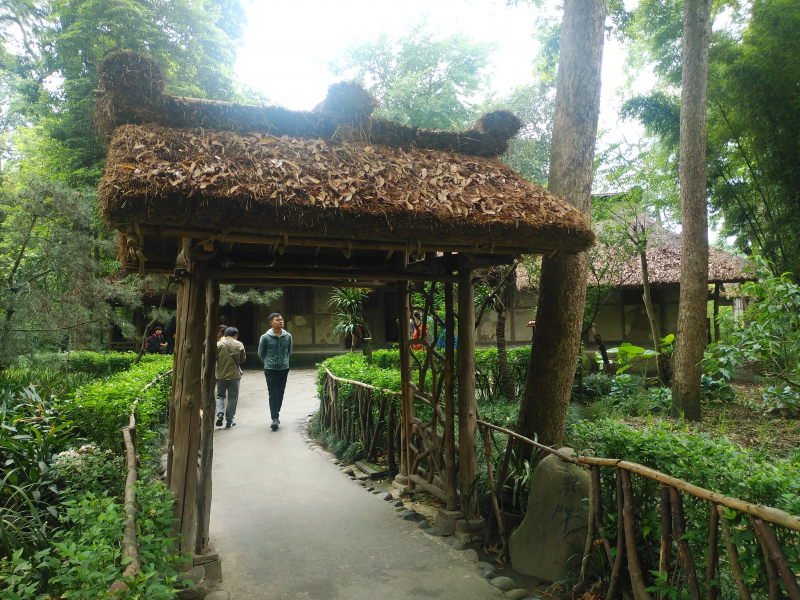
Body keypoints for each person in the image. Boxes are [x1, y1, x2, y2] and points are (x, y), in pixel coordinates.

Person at [257, 312, 292, 431]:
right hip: (270, 369)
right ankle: (275, 418)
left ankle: (276, 413)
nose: (281, 321)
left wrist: (284, 361)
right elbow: (261, 353)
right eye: (277, 320)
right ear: (271, 322)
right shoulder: (265, 337)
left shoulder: (288, 336)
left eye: (281, 319)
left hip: (284, 368)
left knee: (280, 392)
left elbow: (289, 351)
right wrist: (268, 362)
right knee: (273, 393)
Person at [215, 327, 246, 429]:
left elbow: (214, 357)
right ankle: (229, 420)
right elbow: (242, 359)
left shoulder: (218, 345)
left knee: (220, 396)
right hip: (234, 376)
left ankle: (220, 414)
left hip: (221, 375)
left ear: (225, 335)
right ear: (235, 335)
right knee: (232, 398)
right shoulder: (239, 344)